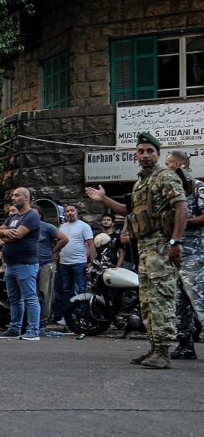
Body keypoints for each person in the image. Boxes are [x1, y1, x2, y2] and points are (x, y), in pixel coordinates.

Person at [86, 132, 187, 369]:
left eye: (150, 151)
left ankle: (163, 351)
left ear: (158, 155)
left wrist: (175, 242)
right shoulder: (142, 182)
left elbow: (181, 209)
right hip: (145, 250)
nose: (145, 155)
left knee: (161, 299)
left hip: (162, 247)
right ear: (135, 155)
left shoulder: (165, 177)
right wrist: (103, 199)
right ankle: (154, 348)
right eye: (141, 151)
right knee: (148, 301)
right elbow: (127, 211)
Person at [164, 151, 204, 360]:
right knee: (179, 303)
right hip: (175, 256)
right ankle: (185, 345)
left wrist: (180, 222)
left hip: (194, 254)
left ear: (178, 165)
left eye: (168, 163)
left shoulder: (198, 187)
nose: (165, 166)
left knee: (200, 300)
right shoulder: (172, 191)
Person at [0, 187, 41, 340]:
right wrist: (6, 232)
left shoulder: (31, 216)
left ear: (26, 198)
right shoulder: (13, 217)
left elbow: (18, 236)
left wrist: (5, 236)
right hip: (10, 264)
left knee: (30, 297)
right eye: (13, 195)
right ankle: (15, 328)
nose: (13, 198)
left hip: (25, 264)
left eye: (16, 195)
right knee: (14, 299)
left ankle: (33, 330)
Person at [54, 204, 95, 326]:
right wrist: (56, 261)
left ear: (77, 212)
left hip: (79, 263)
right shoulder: (62, 227)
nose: (69, 213)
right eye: (67, 211)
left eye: (72, 210)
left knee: (81, 290)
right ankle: (68, 316)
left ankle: (82, 315)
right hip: (64, 264)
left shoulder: (84, 226)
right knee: (66, 290)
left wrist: (91, 262)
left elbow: (90, 245)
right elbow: (59, 244)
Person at [30, 204, 68, 335]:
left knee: (45, 293)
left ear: (40, 215)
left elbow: (64, 239)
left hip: (46, 263)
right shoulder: (25, 228)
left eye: (35, 213)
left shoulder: (47, 227)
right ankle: (32, 322)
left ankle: (43, 322)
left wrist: (53, 251)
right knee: (31, 294)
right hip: (30, 263)